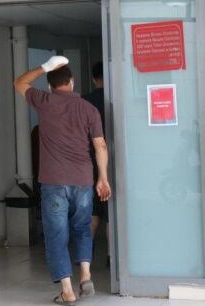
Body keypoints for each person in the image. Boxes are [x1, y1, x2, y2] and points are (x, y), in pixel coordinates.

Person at [14, 56, 111, 306]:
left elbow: (19, 82)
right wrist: (103, 178)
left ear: (50, 85)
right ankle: (85, 274)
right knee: (82, 228)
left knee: (56, 235)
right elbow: (100, 145)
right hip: (83, 180)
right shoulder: (89, 109)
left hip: (54, 181)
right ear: (72, 82)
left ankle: (67, 291)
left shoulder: (44, 101)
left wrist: (44, 67)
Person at [81, 62, 110, 266]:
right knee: (111, 215)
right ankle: (111, 257)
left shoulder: (84, 102)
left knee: (92, 212)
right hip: (114, 162)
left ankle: (86, 257)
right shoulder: (115, 99)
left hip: (89, 163)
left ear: (93, 78)